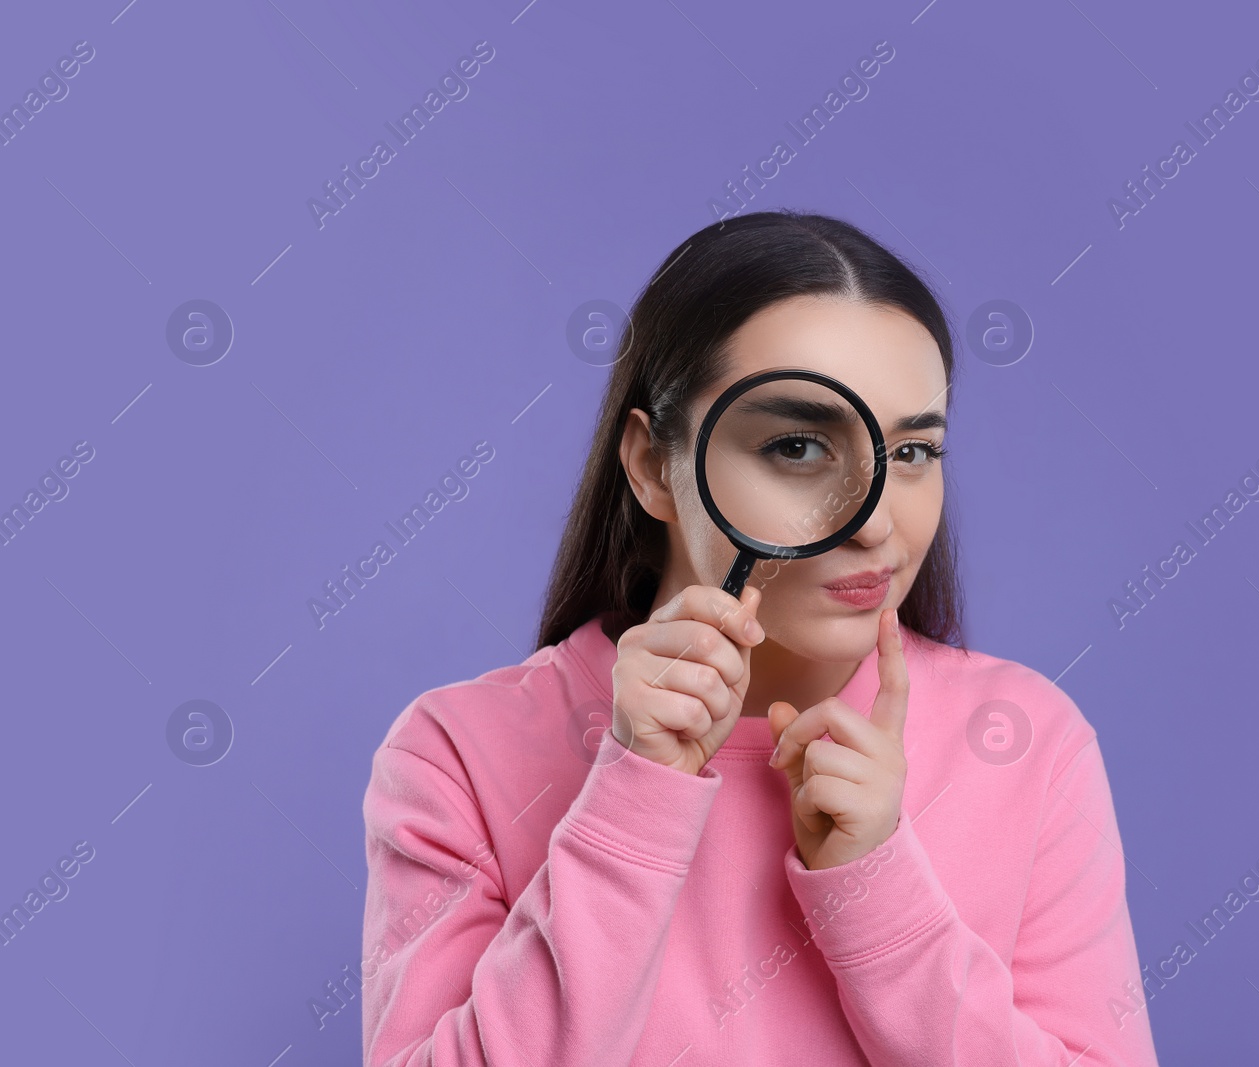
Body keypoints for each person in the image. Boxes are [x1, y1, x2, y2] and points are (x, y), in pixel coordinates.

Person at [359, 210, 1162, 1065]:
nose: (877, 521)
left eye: (915, 452)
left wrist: (877, 888)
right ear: (651, 465)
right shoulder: (457, 753)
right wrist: (635, 797)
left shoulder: (1025, 741)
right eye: (798, 445)